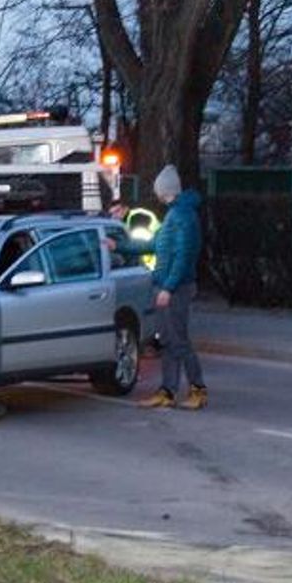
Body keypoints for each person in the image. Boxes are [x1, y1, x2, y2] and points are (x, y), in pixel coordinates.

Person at [107, 165, 207, 410]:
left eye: (159, 190)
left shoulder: (181, 216)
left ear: (165, 191)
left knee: (178, 341)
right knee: (169, 341)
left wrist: (168, 288)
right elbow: (156, 245)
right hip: (167, 285)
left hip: (176, 288)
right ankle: (168, 390)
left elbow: (184, 256)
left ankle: (197, 388)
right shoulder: (175, 214)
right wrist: (118, 246)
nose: (157, 194)